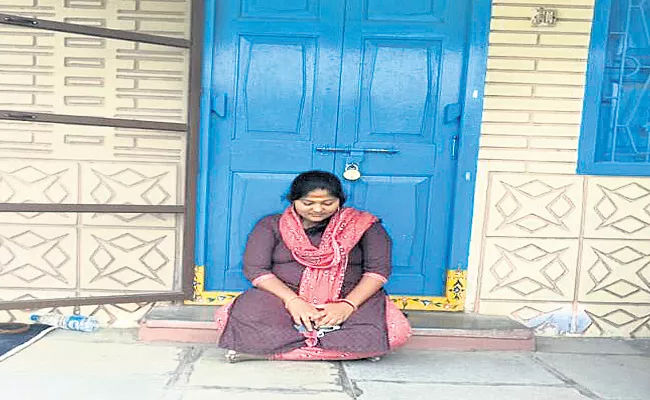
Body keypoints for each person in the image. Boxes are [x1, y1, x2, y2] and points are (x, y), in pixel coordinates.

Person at [214, 170, 411, 362]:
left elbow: (377, 271)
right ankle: (351, 351)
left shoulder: (365, 225)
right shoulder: (271, 225)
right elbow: (256, 269)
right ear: (293, 200)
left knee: (396, 332)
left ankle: (267, 351)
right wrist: (293, 301)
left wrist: (347, 306)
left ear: (340, 201)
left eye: (327, 203)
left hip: (349, 297)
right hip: (282, 297)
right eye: (308, 203)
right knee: (226, 318)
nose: (317, 209)